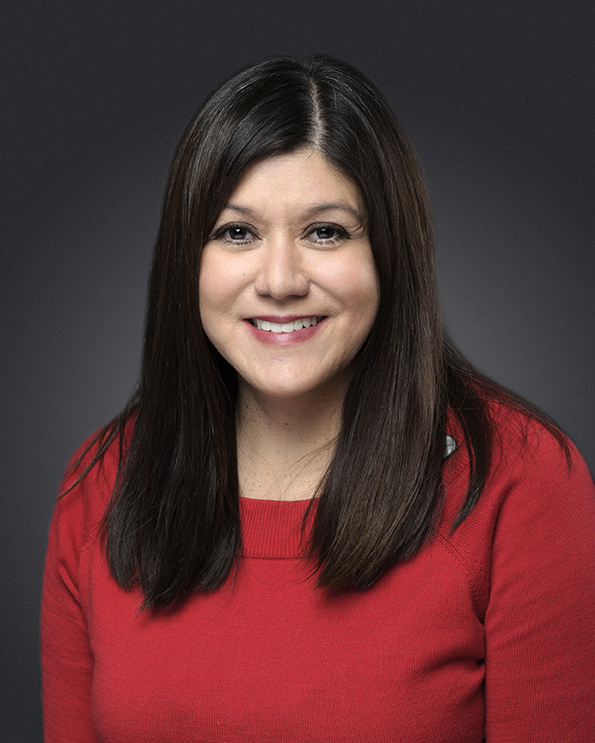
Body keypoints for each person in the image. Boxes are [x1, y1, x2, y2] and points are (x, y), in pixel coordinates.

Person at [41, 56, 595, 742]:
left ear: (390, 252)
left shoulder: (520, 480)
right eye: (235, 231)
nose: (279, 280)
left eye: (325, 231)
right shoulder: (100, 482)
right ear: (187, 259)